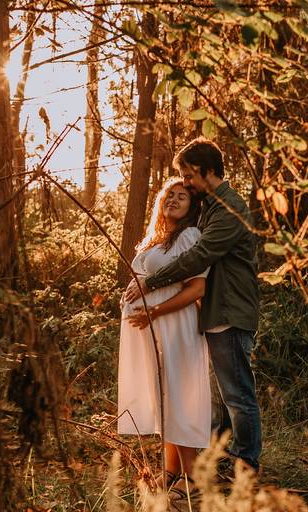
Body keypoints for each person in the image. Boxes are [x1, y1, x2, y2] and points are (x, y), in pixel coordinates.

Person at [124, 137, 262, 475]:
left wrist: (151, 283)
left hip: (229, 310)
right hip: (215, 312)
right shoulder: (211, 205)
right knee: (224, 397)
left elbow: (200, 257)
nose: (185, 182)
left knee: (237, 395)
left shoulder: (229, 208)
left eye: (188, 175)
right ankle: (224, 459)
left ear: (207, 170)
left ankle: (246, 464)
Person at [117, 177, 211, 492]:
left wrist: (155, 311)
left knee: (179, 396)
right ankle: (172, 471)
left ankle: (194, 477)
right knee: (165, 395)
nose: (173, 199)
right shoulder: (156, 239)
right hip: (152, 328)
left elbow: (196, 289)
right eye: (169, 194)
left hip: (175, 325)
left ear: (192, 207)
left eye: (182, 196)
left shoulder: (189, 236)